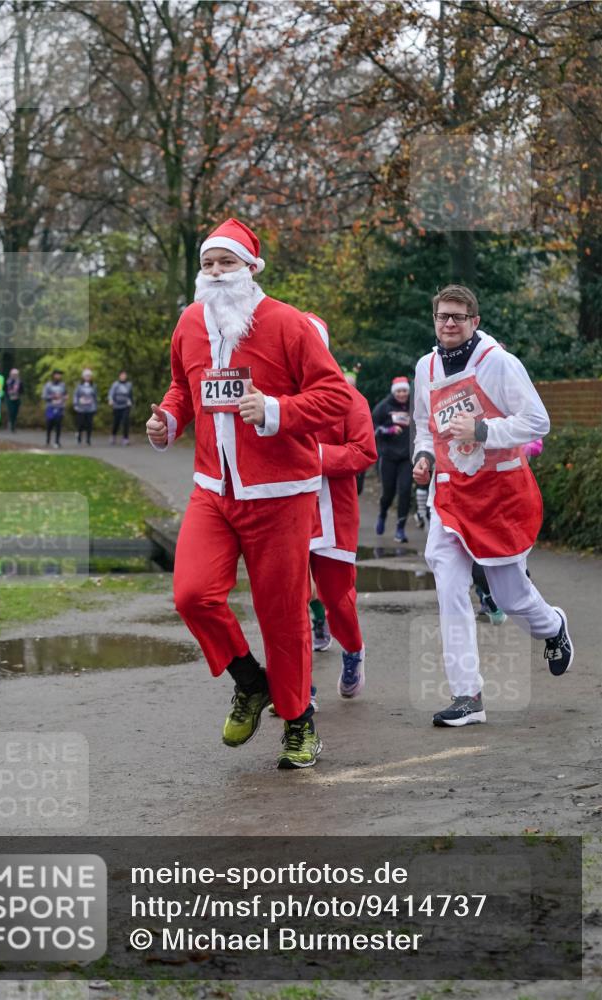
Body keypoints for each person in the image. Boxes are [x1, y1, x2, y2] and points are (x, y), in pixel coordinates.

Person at [145, 218, 351, 769]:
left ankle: (300, 723)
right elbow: (181, 388)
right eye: (208, 264)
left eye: (227, 263)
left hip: (281, 492)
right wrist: (168, 418)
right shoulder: (189, 323)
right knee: (192, 595)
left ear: (251, 269)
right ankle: (249, 681)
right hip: (214, 489)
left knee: (282, 614)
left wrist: (278, 410)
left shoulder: (287, 324)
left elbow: (336, 398)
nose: (215, 273)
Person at [413, 284, 574, 727]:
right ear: (435, 320)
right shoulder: (425, 367)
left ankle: (553, 627)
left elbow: (537, 420)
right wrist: (423, 457)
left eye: (458, 317)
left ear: (474, 322)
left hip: (498, 496)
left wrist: (484, 431)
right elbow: (425, 428)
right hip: (450, 496)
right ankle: (468, 695)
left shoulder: (497, 363)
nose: (449, 323)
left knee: (510, 595)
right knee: (448, 585)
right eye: (443, 316)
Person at [306, 313, 377, 698]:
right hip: (286, 514)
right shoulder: (273, 397)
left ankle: (352, 649)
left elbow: (364, 451)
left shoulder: (350, 398)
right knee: (288, 602)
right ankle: (299, 688)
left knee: (336, 598)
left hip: (334, 512)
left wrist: (313, 457)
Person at [372, 376, 412, 542]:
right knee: (388, 493)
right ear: (394, 392)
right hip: (388, 456)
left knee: (405, 491)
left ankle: (400, 529)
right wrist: (388, 430)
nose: (402, 394)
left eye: (405, 391)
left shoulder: (414, 405)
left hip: (407, 458)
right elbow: (372, 427)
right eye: (399, 391)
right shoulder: (384, 406)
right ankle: (382, 514)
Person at [42, 370, 67, 448]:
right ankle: (48, 440)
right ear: (53, 376)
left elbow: (66, 394)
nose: (58, 377)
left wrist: (64, 398)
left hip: (60, 407)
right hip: (50, 407)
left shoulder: (63, 385)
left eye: (60, 375)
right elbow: (44, 396)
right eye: (57, 375)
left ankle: (57, 441)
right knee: (49, 424)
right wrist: (53, 397)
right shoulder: (48, 385)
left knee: (58, 424)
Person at [108, 370, 133, 445]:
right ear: (119, 376)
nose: (123, 376)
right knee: (116, 422)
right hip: (117, 406)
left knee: (125, 422)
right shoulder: (115, 384)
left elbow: (130, 395)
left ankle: (125, 438)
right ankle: (113, 436)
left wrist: (130, 401)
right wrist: (110, 400)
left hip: (125, 406)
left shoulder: (129, 384)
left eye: (125, 375)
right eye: (122, 375)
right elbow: (111, 393)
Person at [73, 369, 97, 445]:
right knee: (80, 424)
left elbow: (95, 397)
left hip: (90, 408)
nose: (88, 377)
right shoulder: (79, 386)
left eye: (89, 376)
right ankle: (79, 437)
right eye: (86, 376)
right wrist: (75, 404)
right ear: (83, 377)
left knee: (89, 424)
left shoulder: (93, 386)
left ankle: (88, 439)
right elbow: (76, 396)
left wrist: (95, 406)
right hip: (81, 408)